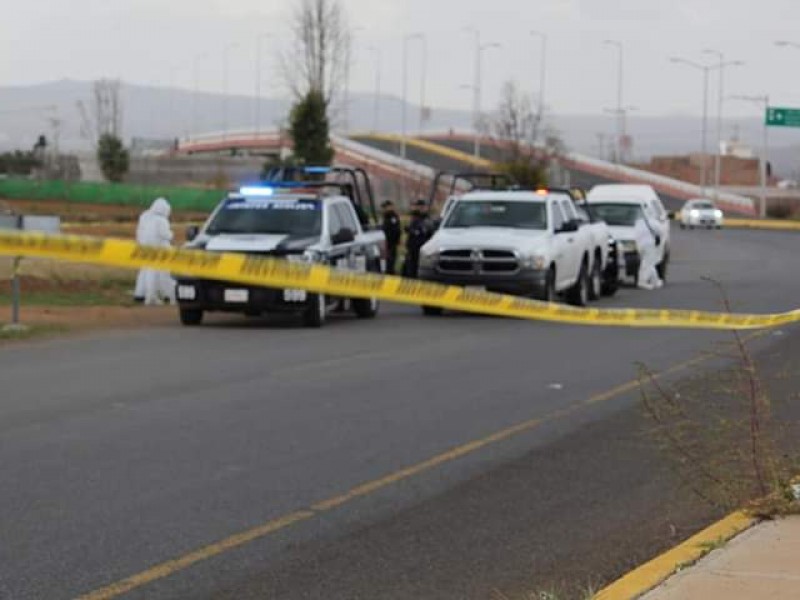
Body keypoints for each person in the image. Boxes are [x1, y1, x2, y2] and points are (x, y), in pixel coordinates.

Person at [135, 197, 176, 305]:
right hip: (159, 251)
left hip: (147, 249)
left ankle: (146, 295)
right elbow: (166, 235)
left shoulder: (147, 217)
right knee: (164, 273)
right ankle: (168, 295)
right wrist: (172, 235)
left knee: (148, 272)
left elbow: (141, 233)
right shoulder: (161, 220)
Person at [402, 199, 434, 278]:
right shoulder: (415, 217)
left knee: (418, 267)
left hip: (421, 246)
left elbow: (427, 231)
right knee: (409, 267)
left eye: (421, 207)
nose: (419, 209)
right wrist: (410, 229)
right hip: (412, 246)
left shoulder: (427, 218)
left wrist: (415, 231)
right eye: (418, 207)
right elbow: (410, 229)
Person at [381, 200, 402, 275]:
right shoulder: (386, 216)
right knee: (388, 260)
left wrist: (396, 240)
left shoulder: (393, 217)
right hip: (386, 242)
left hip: (391, 242)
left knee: (391, 260)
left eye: (386, 207)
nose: (384, 209)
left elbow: (396, 230)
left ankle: (391, 273)